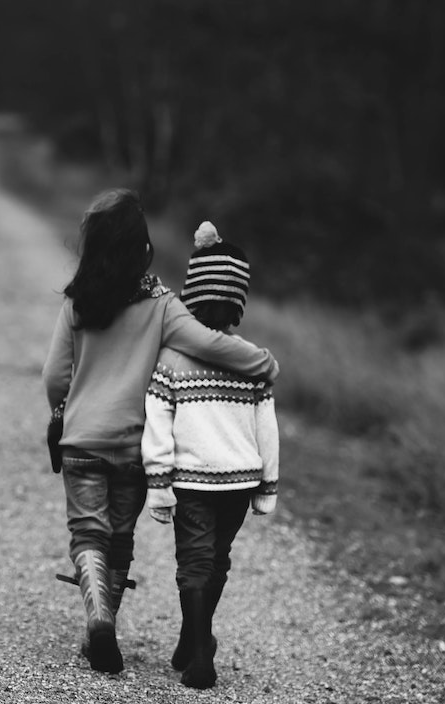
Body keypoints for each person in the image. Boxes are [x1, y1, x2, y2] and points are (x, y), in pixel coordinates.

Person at [41, 191, 279, 675]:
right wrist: (263, 363)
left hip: (82, 441)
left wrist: (65, 412)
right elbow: (209, 343)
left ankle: (99, 618)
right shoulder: (162, 305)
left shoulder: (77, 303)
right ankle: (107, 621)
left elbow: (54, 377)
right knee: (120, 538)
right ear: (142, 249)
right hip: (133, 446)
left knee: (88, 532)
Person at [142, 221, 280, 690]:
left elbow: (157, 424)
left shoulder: (172, 359)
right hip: (239, 482)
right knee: (217, 560)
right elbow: (268, 429)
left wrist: (158, 484)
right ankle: (194, 638)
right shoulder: (250, 361)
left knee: (194, 563)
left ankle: (199, 650)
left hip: (192, 481)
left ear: (190, 297)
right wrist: (268, 485)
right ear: (238, 305)